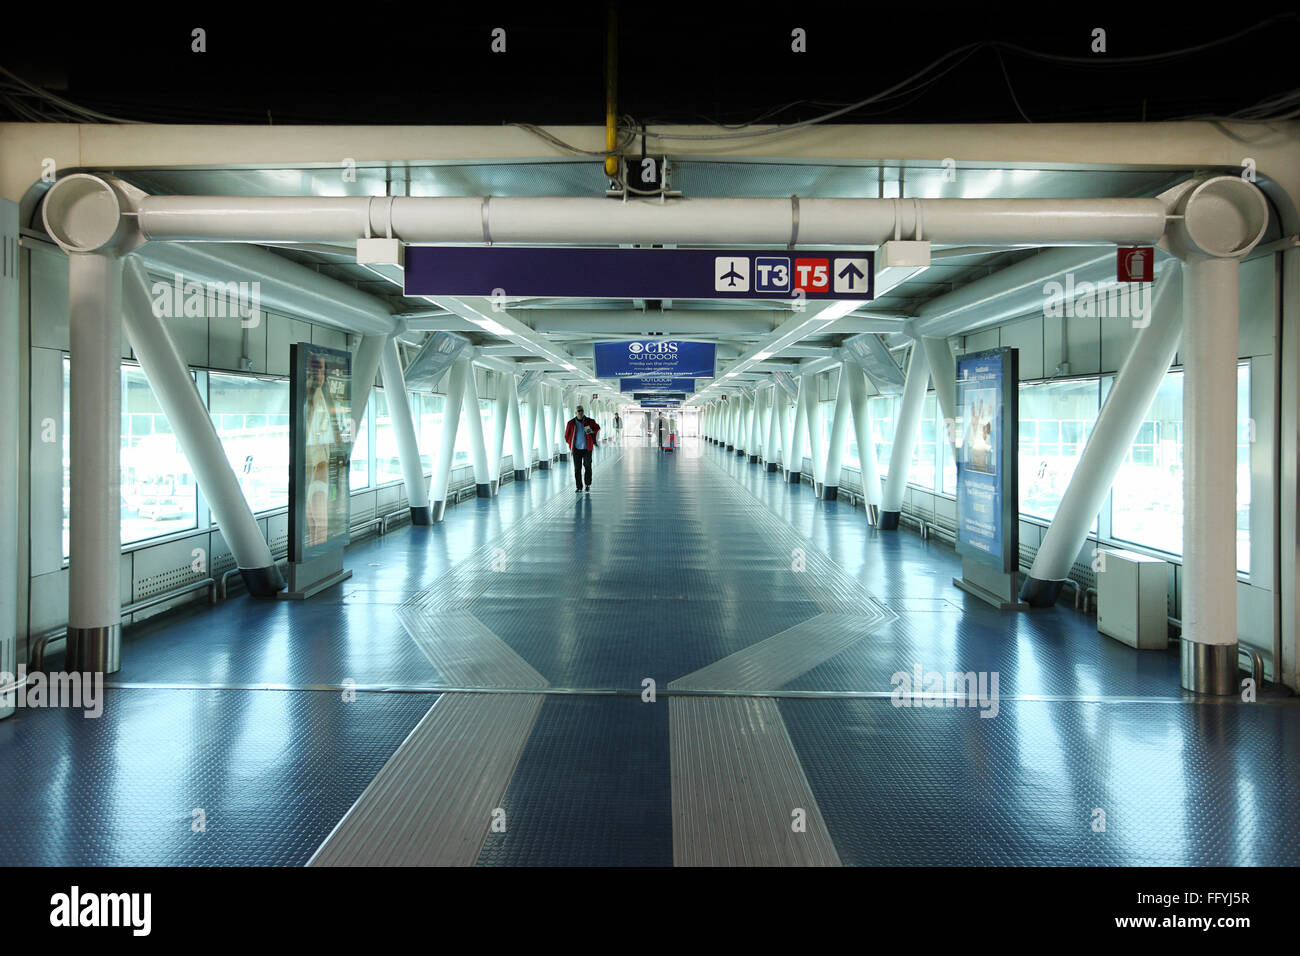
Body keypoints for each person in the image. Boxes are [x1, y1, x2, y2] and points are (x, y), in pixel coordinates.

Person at [564, 404, 601, 492]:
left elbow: (597, 427)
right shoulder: (571, 423)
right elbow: (566, 436)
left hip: (587, 449)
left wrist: (592, 431)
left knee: (587, 466)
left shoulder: (589, 421)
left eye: (582, 411)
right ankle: (579, 487)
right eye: (579, 411)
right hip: (576, 449)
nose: (580, 412)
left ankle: (587, 484)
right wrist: (571, 444)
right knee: (577, 468)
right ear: (575, 413)